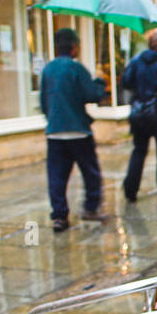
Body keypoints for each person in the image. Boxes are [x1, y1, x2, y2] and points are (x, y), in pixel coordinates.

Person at [39, 28, 107, 232]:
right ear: (74, 47)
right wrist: (100, 82)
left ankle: (59, 216)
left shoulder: (48, 70)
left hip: (55, 131)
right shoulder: (76, 69)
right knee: (90, 171)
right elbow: (91, 94)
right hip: (78, 130)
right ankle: (91, 207)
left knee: (57, 177)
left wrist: (52, 119)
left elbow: (44, 101)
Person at [121, 29, 157, 200]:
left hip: (139, 111)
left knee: (139, 150)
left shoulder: (137, 61)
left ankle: (131, 189)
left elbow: (126, 82)